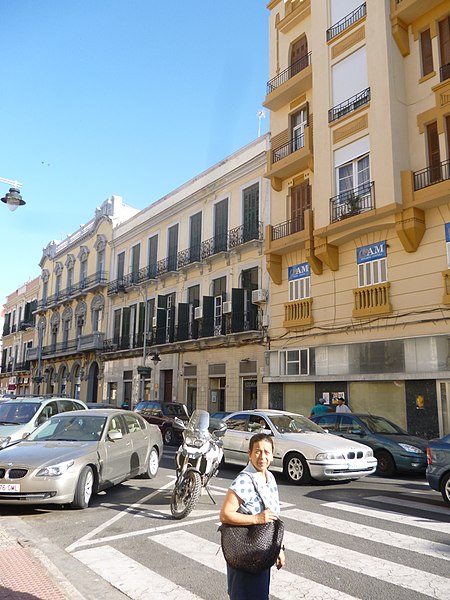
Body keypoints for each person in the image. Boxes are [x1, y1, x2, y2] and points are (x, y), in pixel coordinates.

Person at [220, 433, 285, 600]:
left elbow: (273, 517)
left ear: (272, 455)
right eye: (257, 451)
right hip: (244, 551)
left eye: (266, 452)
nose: (262, 456)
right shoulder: (244, 481)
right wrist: (257, 519)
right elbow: (225, 515)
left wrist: (279, 548)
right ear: (249, 454)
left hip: (261, 552)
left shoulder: (269, 478)